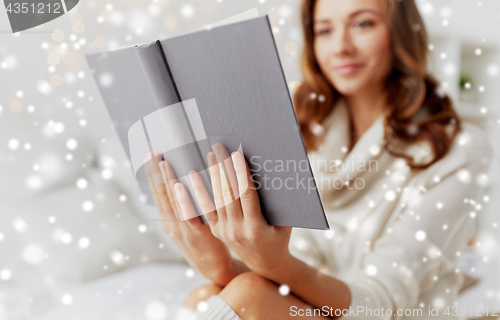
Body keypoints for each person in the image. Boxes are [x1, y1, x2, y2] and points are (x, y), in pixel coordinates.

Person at [145, 0, 493, 319]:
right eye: (324, 30)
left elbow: (380, 303)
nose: (340, 46)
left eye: (363, 24)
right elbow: (293, 282)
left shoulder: (460, 148)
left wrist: (275, 264)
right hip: (326, 309)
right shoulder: (309, 135)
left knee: (247, 294)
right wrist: (219, 265)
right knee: (205, 296)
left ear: (402, 33)